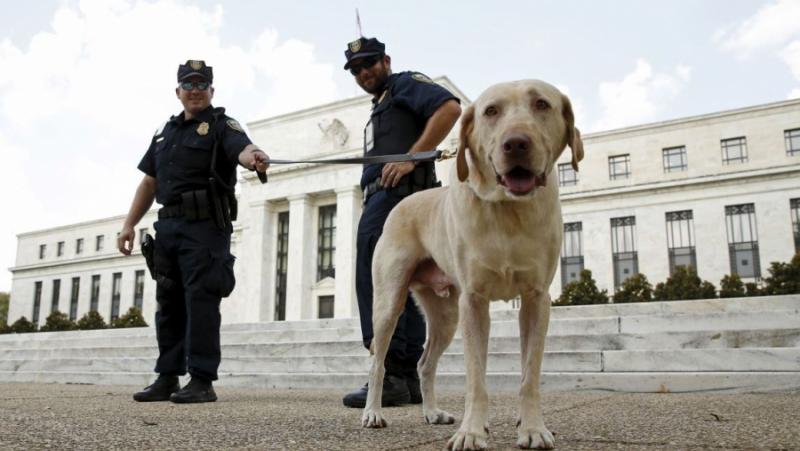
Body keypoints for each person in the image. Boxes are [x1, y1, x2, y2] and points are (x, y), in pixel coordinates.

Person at [118, 60, 269, 404]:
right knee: (167, 303)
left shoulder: (221, 125)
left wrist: (254, 156)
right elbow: (149, 181)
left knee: (201, 301)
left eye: (202, 84)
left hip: (204, 228)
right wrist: (129, 224)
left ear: (211, 91)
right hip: (168, 227)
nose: (195, 90)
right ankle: (167, 376)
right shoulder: (164, 133)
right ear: (178, 92)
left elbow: (242, 148)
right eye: (189, 84)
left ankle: (201, 379)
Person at [341, 37, 462, 408]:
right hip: (391, 198)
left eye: (370, 63)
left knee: (377, 281)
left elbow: (449, 108)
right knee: (407, 288)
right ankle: (404, 377)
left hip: (398, 199)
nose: (364, 72)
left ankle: (391, 372)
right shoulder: (381, 104)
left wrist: (412, 157)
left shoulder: (404, 84)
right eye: (357, 69)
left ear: (386, 61)